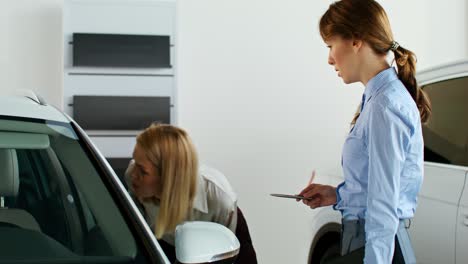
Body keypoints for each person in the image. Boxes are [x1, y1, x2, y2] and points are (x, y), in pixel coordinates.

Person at [298, 1, 432, 263]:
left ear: (356, 39)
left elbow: (383, 205)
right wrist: (336, 194)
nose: (328, 59)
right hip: (366, 238)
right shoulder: (377, 99)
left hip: (377, 244)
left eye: (330, 46)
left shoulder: (386, 106)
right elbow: (376, 187)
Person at [125, 123, 257, 263]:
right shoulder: (134, 180)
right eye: (134, 162)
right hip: (162, 241)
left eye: (142, 171)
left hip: (215, 247)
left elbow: (226, 257)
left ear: (168, 176)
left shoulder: (218, 198)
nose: (133, 174)